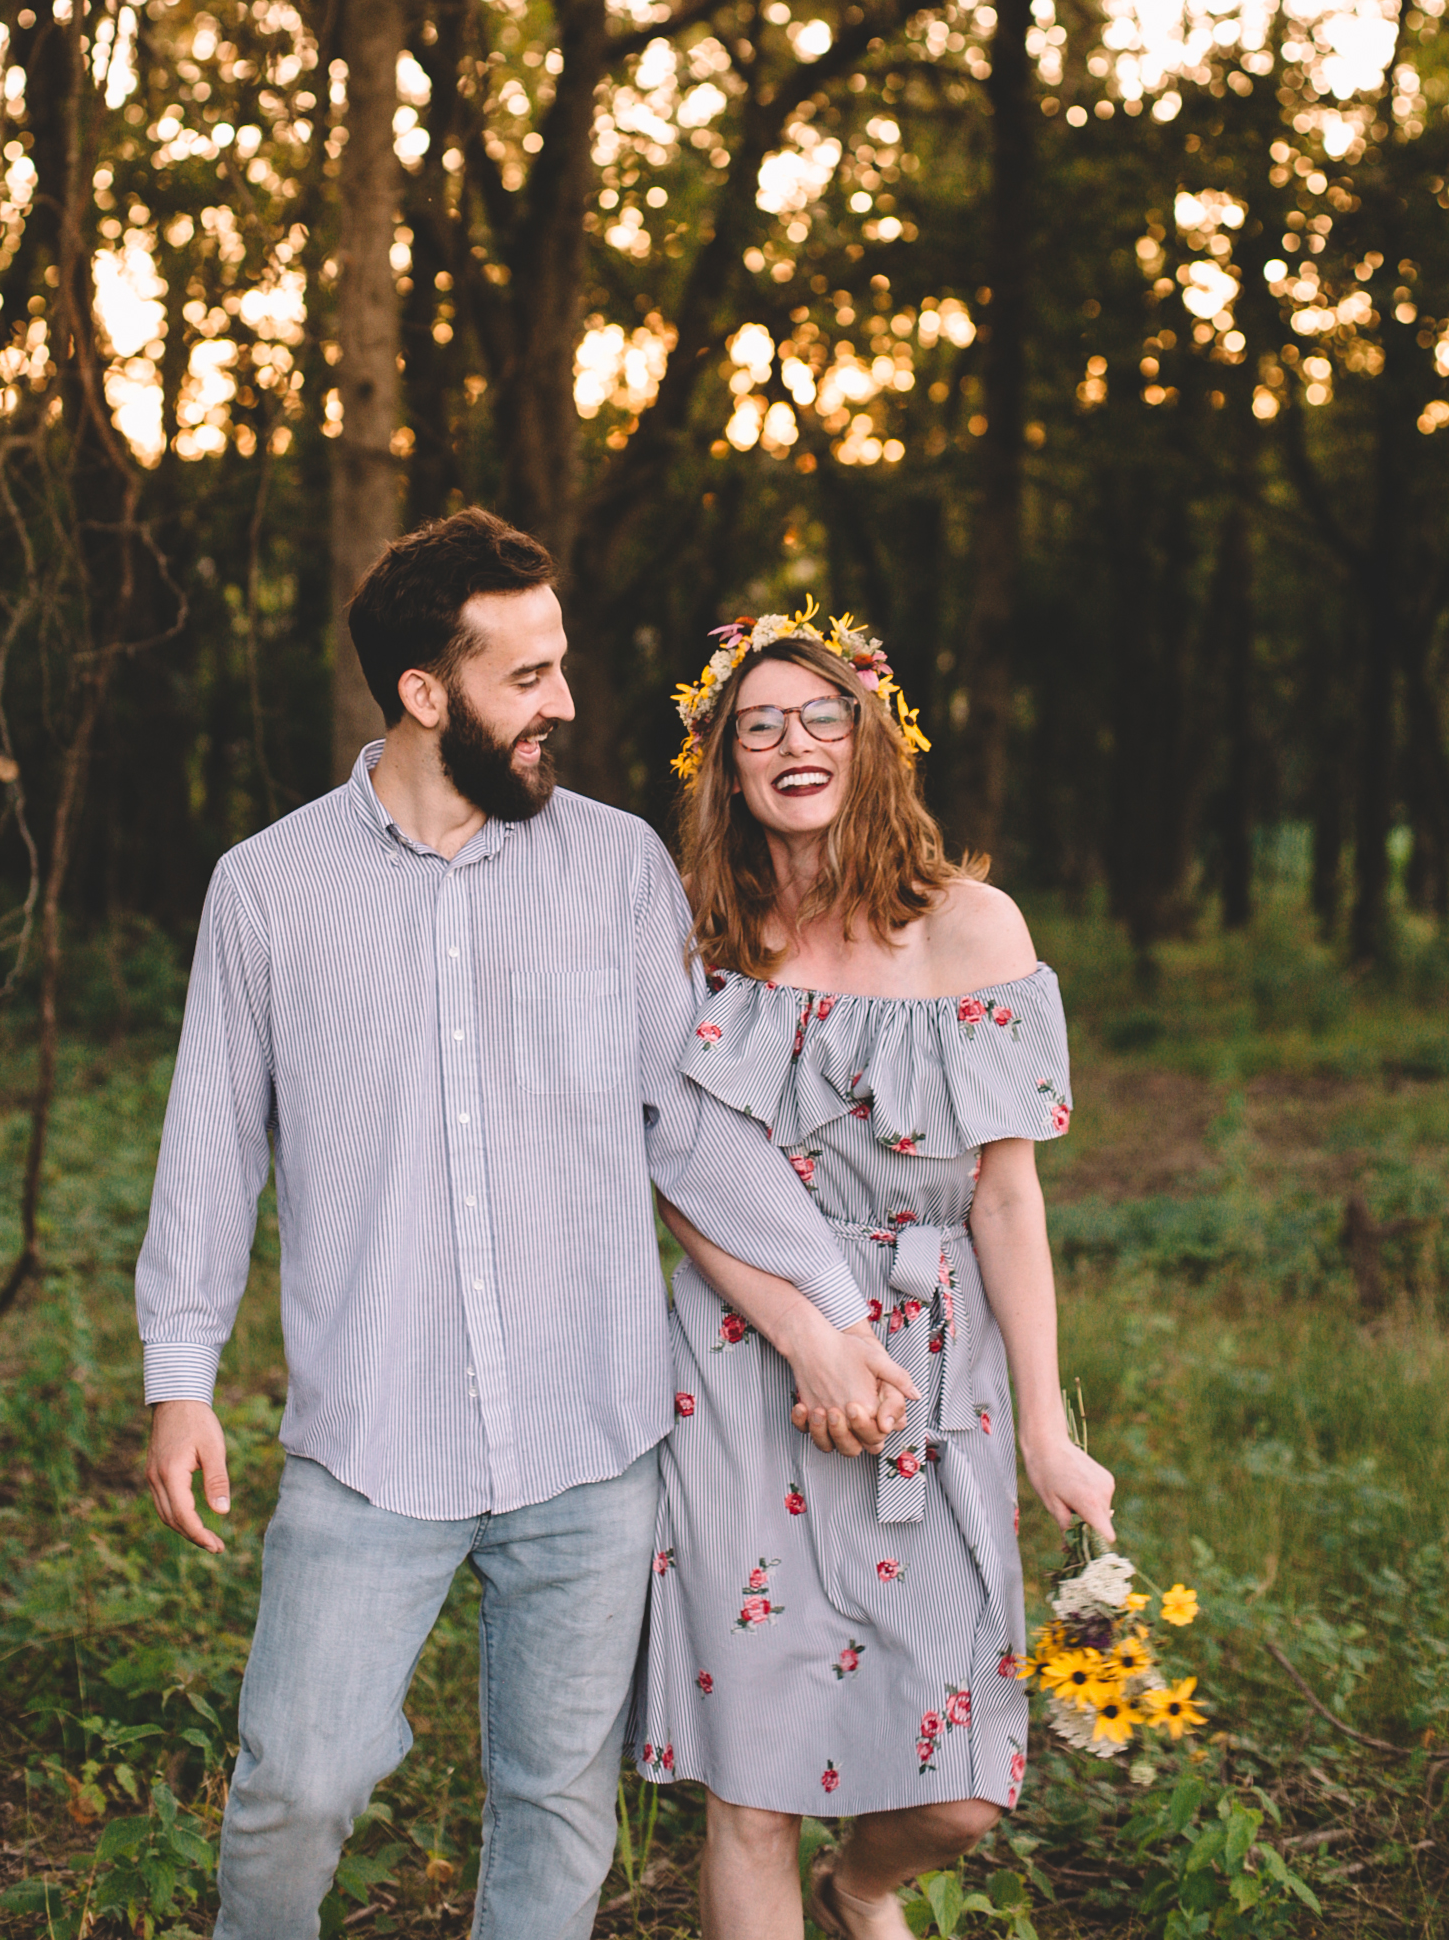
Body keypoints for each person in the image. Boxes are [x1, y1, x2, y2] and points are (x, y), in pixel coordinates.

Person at [133, 512, 915, 1940]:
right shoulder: (267, 889)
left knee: (556, 1805)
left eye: (561, 667)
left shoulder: (616, 868)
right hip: (371, 1442)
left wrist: (828, 1302)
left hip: (590, 1434)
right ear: (427, 694)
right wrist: (180, 1376)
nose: (565, 703)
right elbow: (210, 1145)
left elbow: (685, 1118)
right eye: (528, 676)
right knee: (296, 1786)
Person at [633, 603, 1116, 1940]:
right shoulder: (698, 943)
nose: (792, 741)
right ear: (726, 766)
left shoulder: (972, 931)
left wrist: (1041, 1426)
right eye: (757, 725)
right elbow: (685, 1179)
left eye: (820, 714)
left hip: (932, 1350)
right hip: (744, 1359)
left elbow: (1007, 1198)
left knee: (963, 1778)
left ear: (873, 735)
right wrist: (803, 1333)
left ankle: (861, 1888)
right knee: (755, 1776)